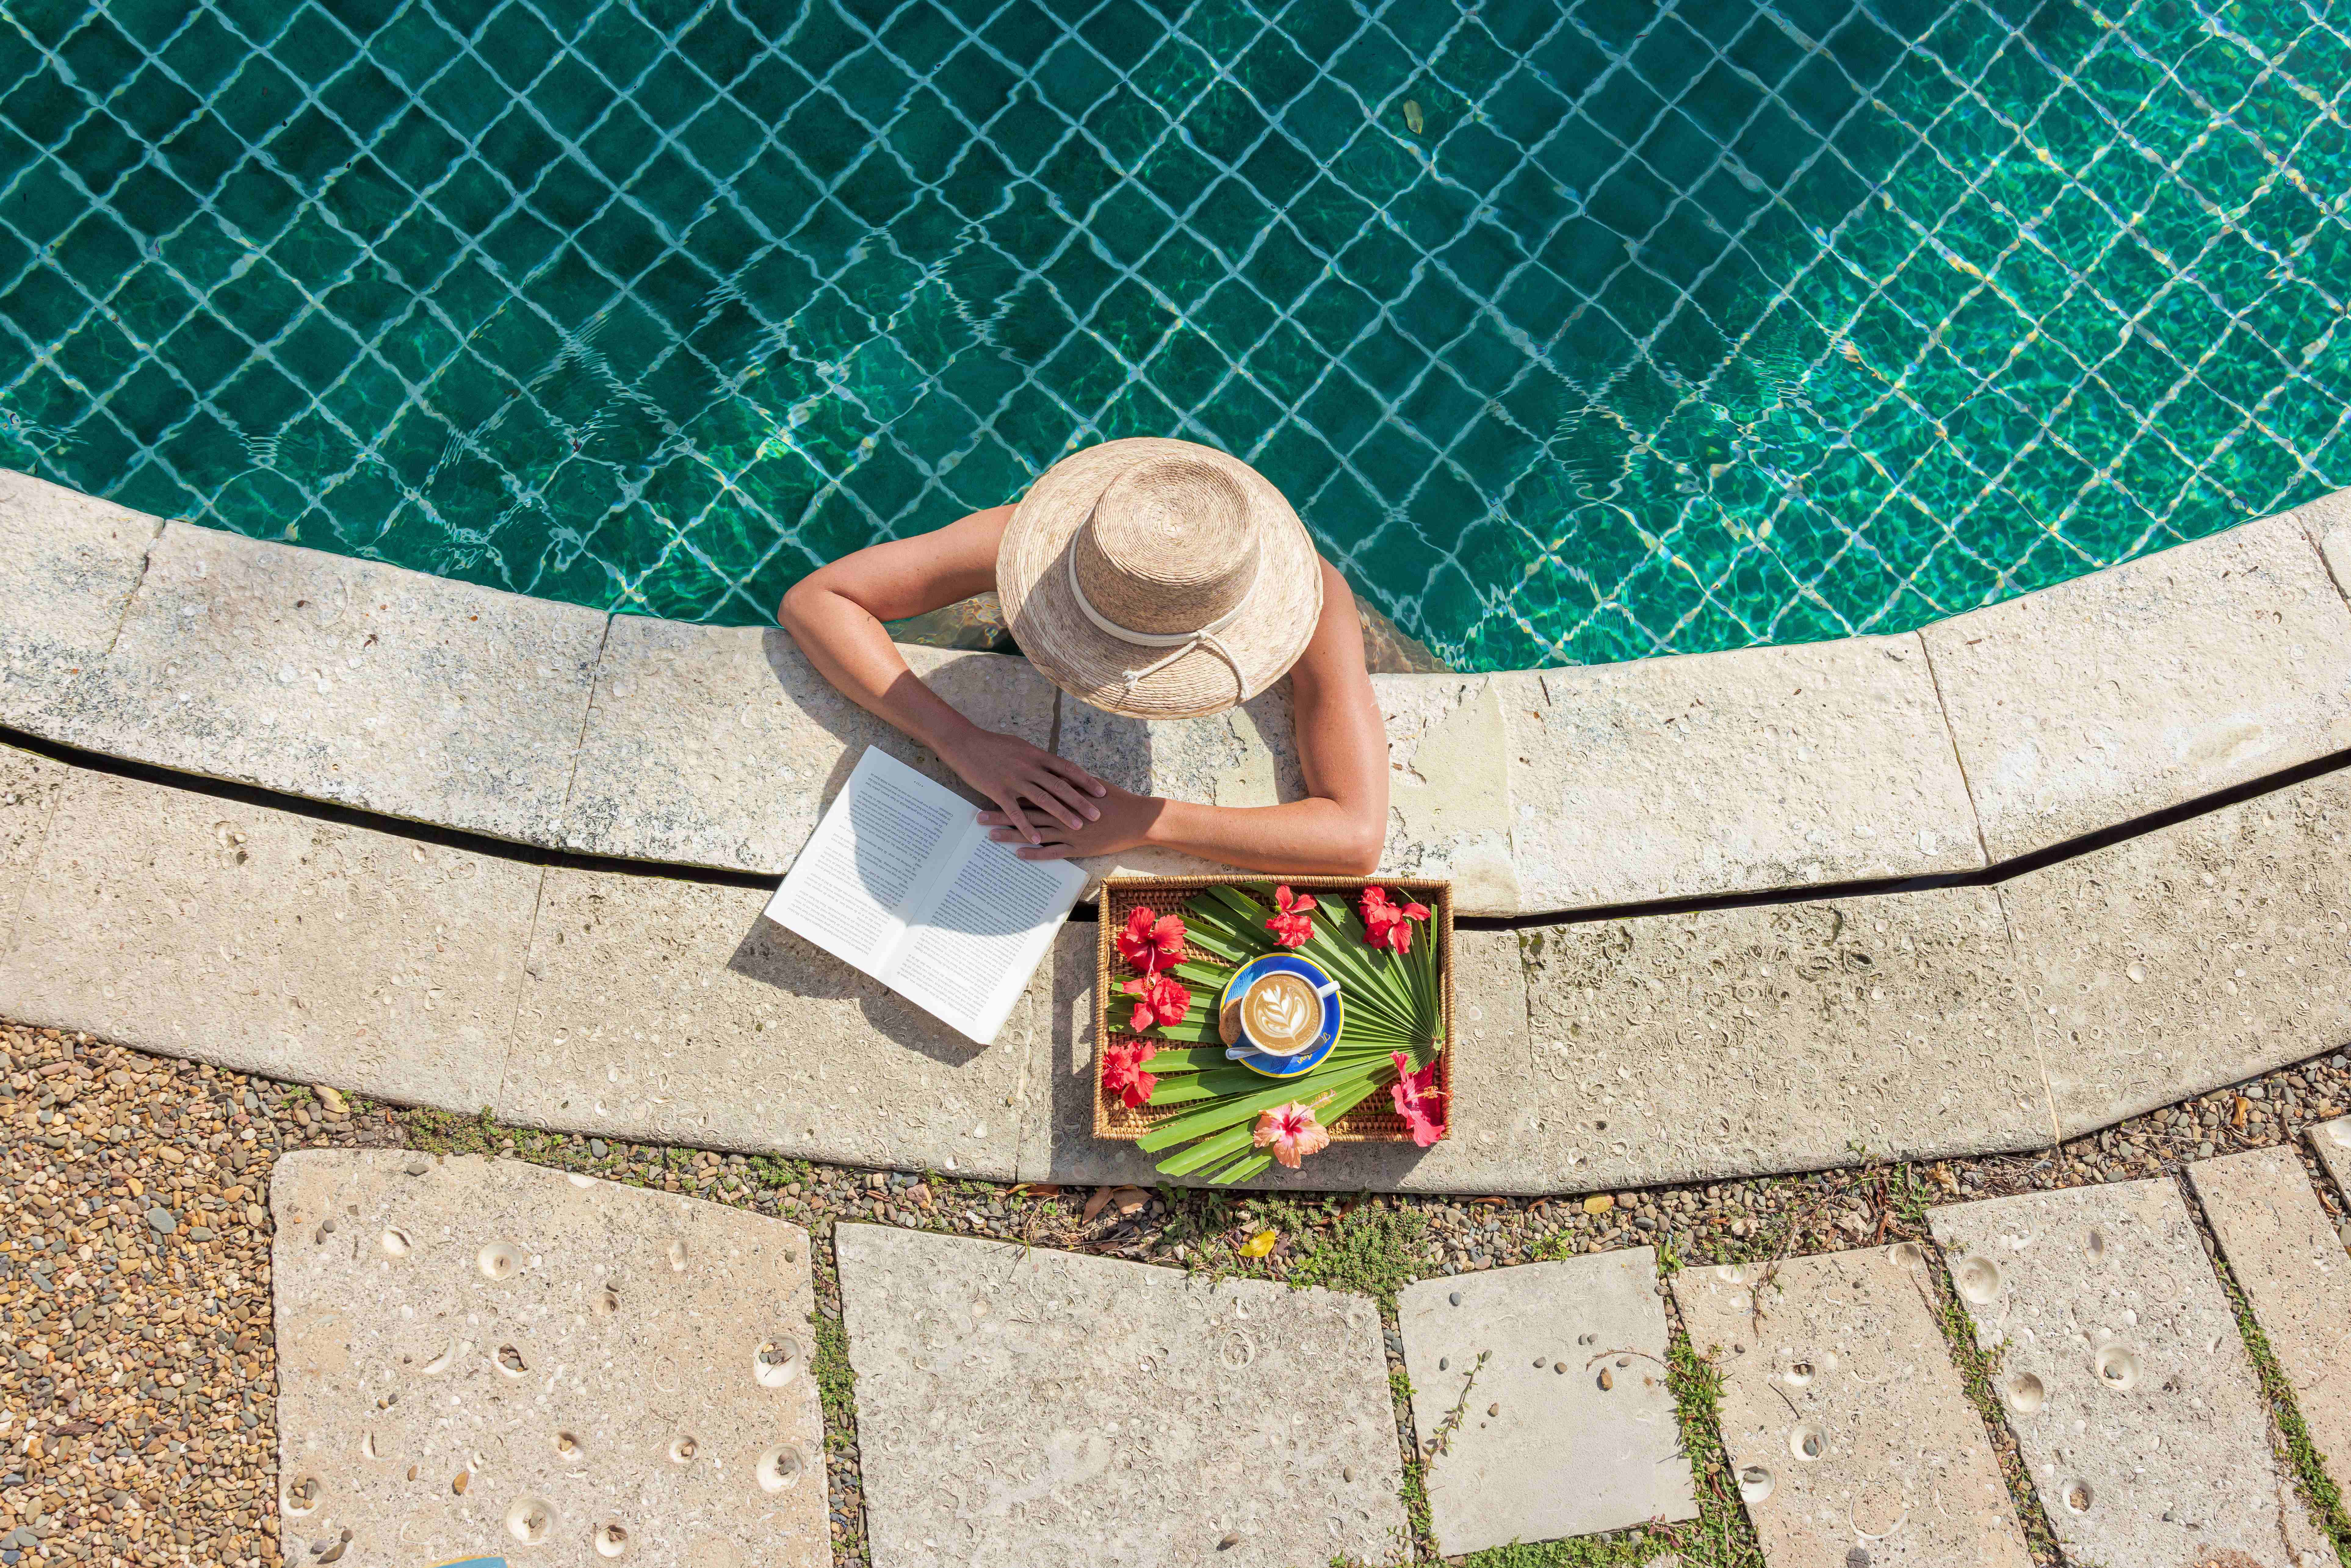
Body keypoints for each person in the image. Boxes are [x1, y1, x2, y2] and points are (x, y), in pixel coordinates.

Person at [779, 437, 1388, 873]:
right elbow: (815, 600)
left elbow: (1356, 838)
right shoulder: (1038, 544)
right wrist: (958, 739)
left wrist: (1147, 820)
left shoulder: (1313, 599)